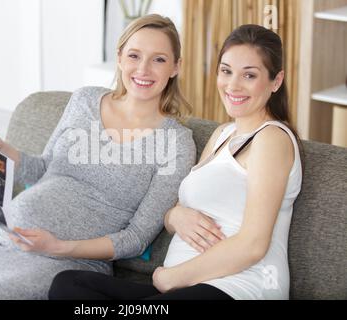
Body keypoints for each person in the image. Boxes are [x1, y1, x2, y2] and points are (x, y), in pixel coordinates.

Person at [0, 14, 196, 300]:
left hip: (67, 261)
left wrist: (58, 247)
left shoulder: (176, 143)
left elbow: (136, 239)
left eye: (159, 59)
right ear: (119, 57)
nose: (143, 69)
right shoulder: (84, 100)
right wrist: (0, 147)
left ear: (176, 66)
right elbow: (41, 170)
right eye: (134, 55)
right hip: (3, 233)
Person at [49, 24, 303, 300]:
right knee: (68, 285)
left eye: (249, 75)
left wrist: (171, 277)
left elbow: (253, 244)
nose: (233, 85)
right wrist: (175, 215)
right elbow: (177, 211)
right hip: (184, 288)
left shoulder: (271, 139)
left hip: (237, 287)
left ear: (275, 81)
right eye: (226, 71)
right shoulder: (222, 135)